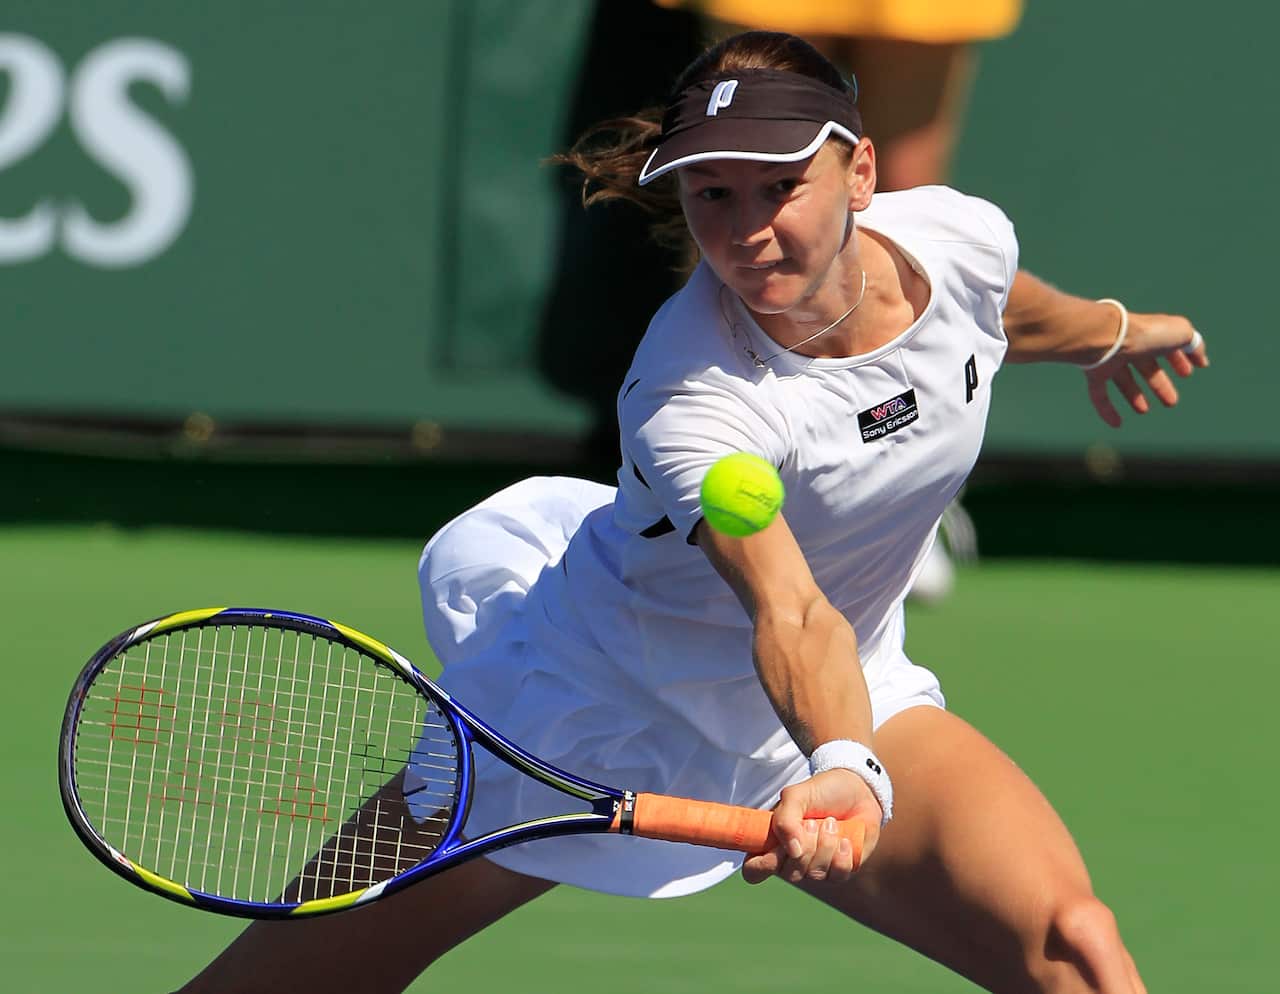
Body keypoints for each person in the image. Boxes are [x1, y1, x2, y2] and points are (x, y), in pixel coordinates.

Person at [177, 30, 1206, 994]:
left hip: (854, 683)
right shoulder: (692, 400)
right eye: (713, 192)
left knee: (1074, 945)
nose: (747, 230)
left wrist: (1115, 332)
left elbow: (999, 309)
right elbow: (788, 607)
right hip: (592, 710)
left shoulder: (956, 235)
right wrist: (845, 763)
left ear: (860, 174)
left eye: (780, 186)